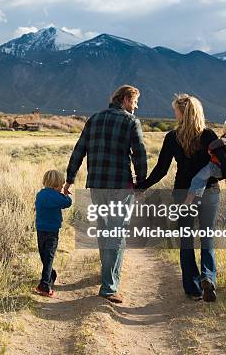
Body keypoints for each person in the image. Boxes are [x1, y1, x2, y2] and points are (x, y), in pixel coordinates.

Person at [136, 94, 226, 302]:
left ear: (182, 113)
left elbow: (161, 170)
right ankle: (208, 277)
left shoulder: (172, 137)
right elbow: (222, 164)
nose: (174, 113)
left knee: (186, 239)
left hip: (182, 193)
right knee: (207, 237)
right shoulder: (209, 135)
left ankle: (193, 289)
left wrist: (141, 186)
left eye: (176, 110)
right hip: (210, 192)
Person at [64, 85, 147, 304]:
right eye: (136, 102)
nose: (136, 107)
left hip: (97, 184)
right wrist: (141, 183)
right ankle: (109, 286)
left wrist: (70, 179)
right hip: (120, 184)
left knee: (105, 229)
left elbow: (79, 150)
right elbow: (139, 154)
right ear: (127, 99)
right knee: (117, 232)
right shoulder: (130, 121)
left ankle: (108, 275)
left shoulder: (94, 119)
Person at [184, 118, 226, 205]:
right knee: (203, 179)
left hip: (216, 166)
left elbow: (222, 141)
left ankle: (189, 201)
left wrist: (210, 148)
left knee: (198, 179)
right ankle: (197, 198)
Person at [35, 169, 72, 297]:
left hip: (40, 230)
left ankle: (51, 275)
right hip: (52, 232)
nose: (62, 187)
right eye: (61, 185)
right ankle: (44, 286)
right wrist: (66, 194)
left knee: (44, 255)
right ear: (56, 185)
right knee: (49, 257)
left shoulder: (40, 194)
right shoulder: (57, 196)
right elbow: (67, 203)